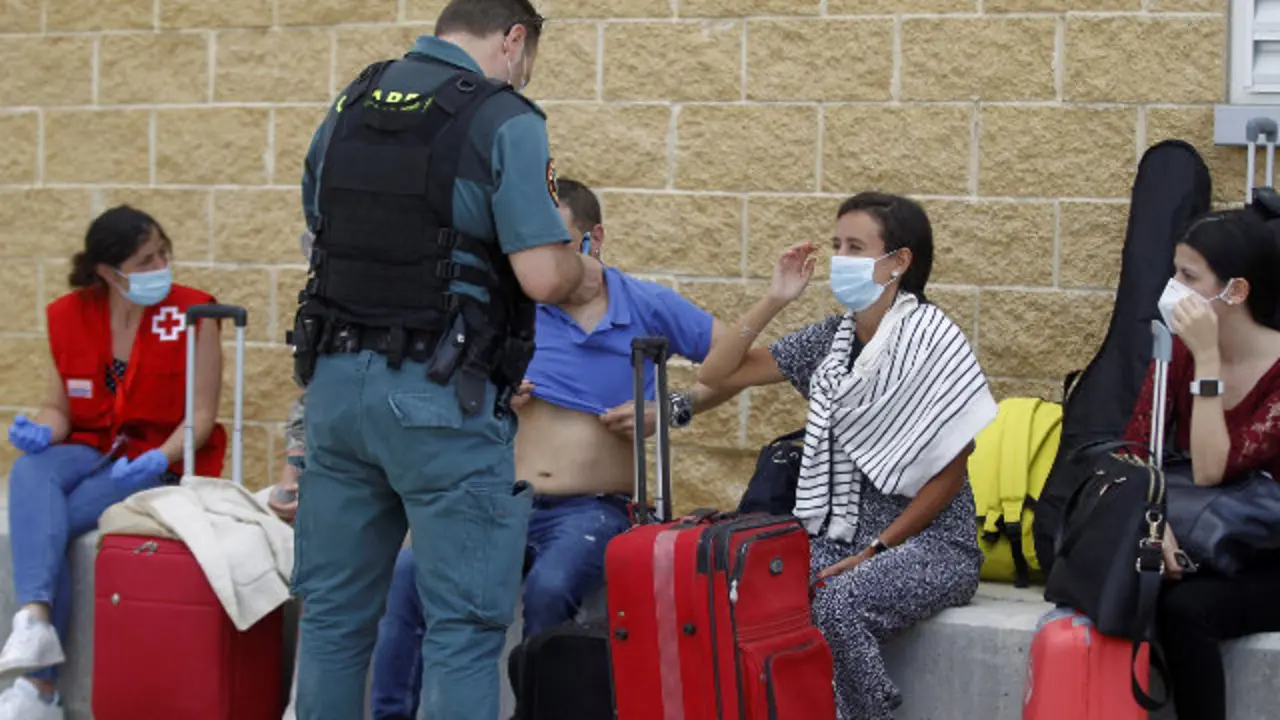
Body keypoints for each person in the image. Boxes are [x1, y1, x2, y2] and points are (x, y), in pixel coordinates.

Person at [358, 177, 814, 719]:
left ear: (593, 239)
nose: (540, 265)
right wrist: (491, 392)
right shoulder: (511, 307)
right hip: (501, 497)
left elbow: (734, 363)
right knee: (409, 573)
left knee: (552, 586)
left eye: (556, 247)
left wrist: (670, 409)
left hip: (593, 507)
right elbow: (445, 386)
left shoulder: (644, 304)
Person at [288, 0, 601, 717]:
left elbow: (316, 223)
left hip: (334, 390)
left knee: (334, 621)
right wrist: (582, 271)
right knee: (462, 630)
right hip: (440, 398)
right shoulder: (505, 118)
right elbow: (543, 279)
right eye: (527, 58)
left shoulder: (352, 100)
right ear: (514, 39)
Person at [696, 191, 998, 719]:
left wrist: (878, 549)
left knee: (838, 600)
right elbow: (718, 374)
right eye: (837, 245)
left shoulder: (933, 341)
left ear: (898, 262)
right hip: (841, 539)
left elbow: (951, 472)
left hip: (930, 546)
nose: (840, 259)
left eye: (856, 247)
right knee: (749, 584)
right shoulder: (830, 342)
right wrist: (775, 298)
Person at [0, 206, 225, 720]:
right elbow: (61, 408)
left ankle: (40, 686)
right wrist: (40, 429)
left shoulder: (194, 314)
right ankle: (34, 618)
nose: (161, 266)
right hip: (93, 445)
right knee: (30, 470)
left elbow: (202, 418)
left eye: (163, 252)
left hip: (152, 457)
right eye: (146, 259)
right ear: (107, 271)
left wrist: (156, 461)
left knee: (48, 523)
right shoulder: (70, 314)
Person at [1121, 209, 1280, 720]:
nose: (1173, 289)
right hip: (1211, 542)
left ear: (1235, 292)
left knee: (1186, 610)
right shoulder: (1179, 353)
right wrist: (1152, 516)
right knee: (1129, 583)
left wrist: (1209, 362)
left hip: (1269, 550)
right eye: (1174, 272)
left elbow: (1215, 468)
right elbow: (1134, 450)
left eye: (1188, 277)